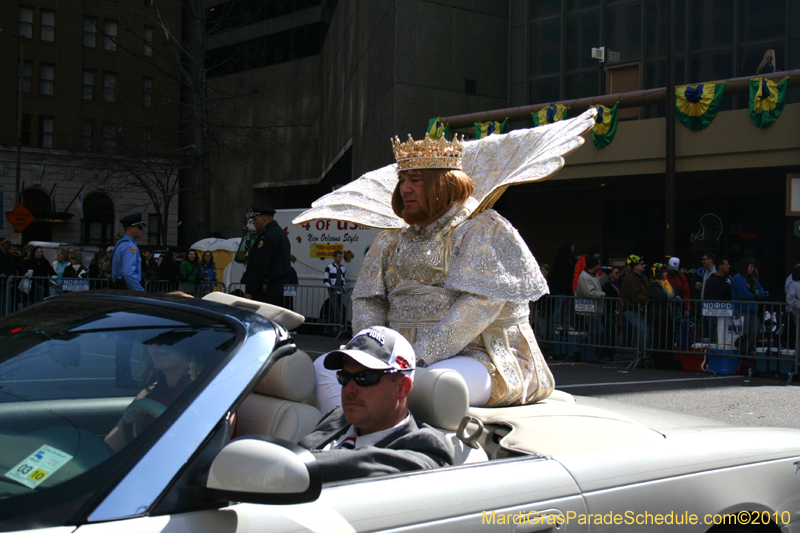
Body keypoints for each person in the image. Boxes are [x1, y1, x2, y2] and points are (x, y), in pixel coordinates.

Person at [317, 135, 554, 409]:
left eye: (415, 180)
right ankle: (343, 433)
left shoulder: (482, 228)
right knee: (322, 370)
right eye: (402, 180)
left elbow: (480, 303)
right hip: (399, 356)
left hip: (482, 356)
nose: (405, 189)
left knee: (425, 384)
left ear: (444, 183)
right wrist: (371, 349)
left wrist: (418, 356)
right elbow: (369, 299)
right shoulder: (391, 237)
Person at [300, 326, 453, 482]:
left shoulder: (424, 449)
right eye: (344, 377)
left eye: (365, 378)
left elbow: (364, 467)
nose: (349, 389)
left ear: (402, 388)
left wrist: (292, 462)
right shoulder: (337, 417)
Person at [105, 331, 212, 451]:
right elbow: (110, 446)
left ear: (191, 341)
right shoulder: (150, 393)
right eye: (150, 335)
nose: (156, 343)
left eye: (169, 335)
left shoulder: (207, 394)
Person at [242, 204, 292, 305]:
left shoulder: (266, 237)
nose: (254, 223)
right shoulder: (280, 234)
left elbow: (260, 265)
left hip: (266, 291)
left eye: (255, 219)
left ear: (263, 219)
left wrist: (250, 289)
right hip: (277, 289)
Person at [575, 255, 609, 363]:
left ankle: (593, 355)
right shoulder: (585, 277)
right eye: (597, 265)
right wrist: (603, 294)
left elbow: (600, 283)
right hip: (589, 310)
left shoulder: (593, 276)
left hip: (595, 309)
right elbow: (589, 293)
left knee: (595, 333)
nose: (599, 266)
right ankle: (591, 356)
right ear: (594, 266)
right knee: (596, 332)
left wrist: (606, 274)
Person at [648, 263, 680, 370]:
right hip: (659, 316)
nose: (666, 273)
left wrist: (674, 296)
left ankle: (668, 360)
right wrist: (673, 296)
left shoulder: (667, 283)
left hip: (668, 315)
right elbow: (660, 296)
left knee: (669, 339)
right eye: (664, 272)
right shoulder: (654, 284)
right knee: (660, 339)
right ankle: (659, 361)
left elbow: (674, 293)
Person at [731, 257, 766, 354]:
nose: (753, 269)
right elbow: (745, 295)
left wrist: (754, 292)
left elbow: (763, 293)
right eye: (751, 267)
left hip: (753, 310)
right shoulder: (737, 278)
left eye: (754, 267)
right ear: (745, 266)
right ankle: (743, 354)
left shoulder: (753, 279)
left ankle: (751, 353)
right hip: (742, 310)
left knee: (753, 334)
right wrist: (755, 293)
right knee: (743, 335)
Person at [621, 255, 649, 354]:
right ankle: (639, 353)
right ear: (635, 266)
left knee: (643, 330)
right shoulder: (629, 278)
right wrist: (648, 299)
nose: (644, 265)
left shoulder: (642, 277)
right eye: (641, 264)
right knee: (641, 330)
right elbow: (634, 295)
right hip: (631, 309)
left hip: (639, 309)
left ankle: (642, 353)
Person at [111, 213, 146, 291]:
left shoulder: (121, 244)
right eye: (139, 227)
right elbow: (128, 273)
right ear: (131, 229)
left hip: (120, 287)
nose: (142, 230)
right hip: (127, 289)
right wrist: (140, 291)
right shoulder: (129, 247)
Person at [551, 240, 576, 333]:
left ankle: (566, 324)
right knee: (559, 306)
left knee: (567, 308)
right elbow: (557, 273)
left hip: (568, 287)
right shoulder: (561, 258)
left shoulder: (571, 258)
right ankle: (557, 324)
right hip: (561, 286)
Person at [323, 250, 346, 337]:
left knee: (336, 310)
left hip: (340, 291)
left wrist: (343, 289)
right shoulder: (329, 268)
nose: (340, 259)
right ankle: (340, 329)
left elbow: (343, 279)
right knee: (337, 310)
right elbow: (325, 281)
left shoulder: (343, 268)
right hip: (333, 292)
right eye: (339, 257)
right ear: (335, 257)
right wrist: (331, 289)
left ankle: (327, 329)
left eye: (341, 257)